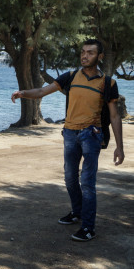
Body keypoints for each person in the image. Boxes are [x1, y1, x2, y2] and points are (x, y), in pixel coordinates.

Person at [11, 39, 124, 242]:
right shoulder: (71, 77)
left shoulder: (108, 83)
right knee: (70, 178)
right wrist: (23, 93)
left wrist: (119, 147)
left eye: (90, 52)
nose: (84, 55)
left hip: (91, 135)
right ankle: (77, 212)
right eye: (82, 52)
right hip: (70, 134)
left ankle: (89, 227)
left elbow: (114, 116)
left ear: (100, 57)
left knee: (87, 183)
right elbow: (42, 91)